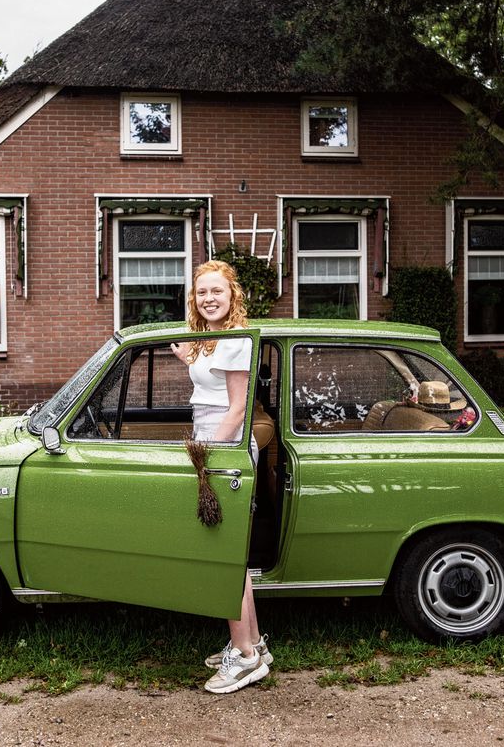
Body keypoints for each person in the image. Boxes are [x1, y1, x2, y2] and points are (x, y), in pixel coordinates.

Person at [170, 259, 272, 694]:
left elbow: (234, 408)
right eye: (201, 292)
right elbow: (207, 384)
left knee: (224, 558)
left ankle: (244, 659)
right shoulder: (211, 339)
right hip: (212, 435)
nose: (209, 298)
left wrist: (206, 456)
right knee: (235, 558)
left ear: (233, 297)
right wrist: (187, 355)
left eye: (217, 291)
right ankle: (253, 645)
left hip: (223, 443)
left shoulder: (235, 341)